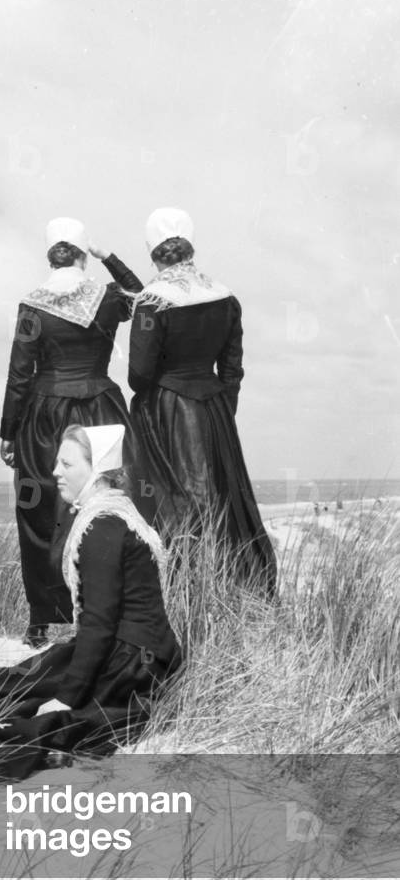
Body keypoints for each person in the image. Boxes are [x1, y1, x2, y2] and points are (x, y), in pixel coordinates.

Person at [0, 424, 182, 780]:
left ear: (96, 471)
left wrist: (67, 697)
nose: (55, 472)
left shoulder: (102, 526)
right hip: (138, 654)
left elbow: (99, 622)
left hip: (128, 661)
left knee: (32, 705)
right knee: (17, 681)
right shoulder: (116, 512)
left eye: (66, 464)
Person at [0, 218, 144, 648]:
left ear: (50, 255)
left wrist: (8, 431)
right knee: (107, 508)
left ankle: (42, 622)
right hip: (101, 410)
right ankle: (102, 613)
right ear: (82, 254)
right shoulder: (108, 298)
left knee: (40, 514)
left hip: (45, 414)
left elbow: (19, 372)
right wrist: (107, 256)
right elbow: (140, 292)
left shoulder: (32, 305)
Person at [128, 207, 277, 593]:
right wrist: (222, 413)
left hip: (168, 411)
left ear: (152, 250)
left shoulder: (151, 300)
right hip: (215, 411)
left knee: (177, 505)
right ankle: (238, 587)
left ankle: (185, 593)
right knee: (225, 501)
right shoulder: (225, 297)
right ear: (190, 245)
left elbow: (138, 376)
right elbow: (232, 370)